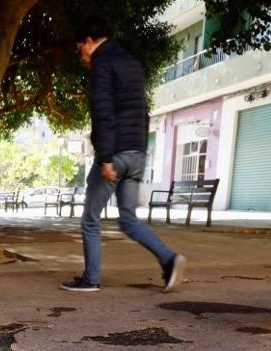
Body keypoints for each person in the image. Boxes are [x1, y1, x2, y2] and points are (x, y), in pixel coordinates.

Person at [61, 16, 185, 293]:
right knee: (128, 218)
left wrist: (105, 158)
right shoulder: (130, 62)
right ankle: (169, 259)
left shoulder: (101, 65)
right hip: (137, 153)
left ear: (89, 42)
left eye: (79, 47)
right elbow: (143, 110)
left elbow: (103, 113)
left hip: (114, 155)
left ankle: (90, 279)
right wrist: (139, 150)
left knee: (90, 218)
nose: (80, 54)